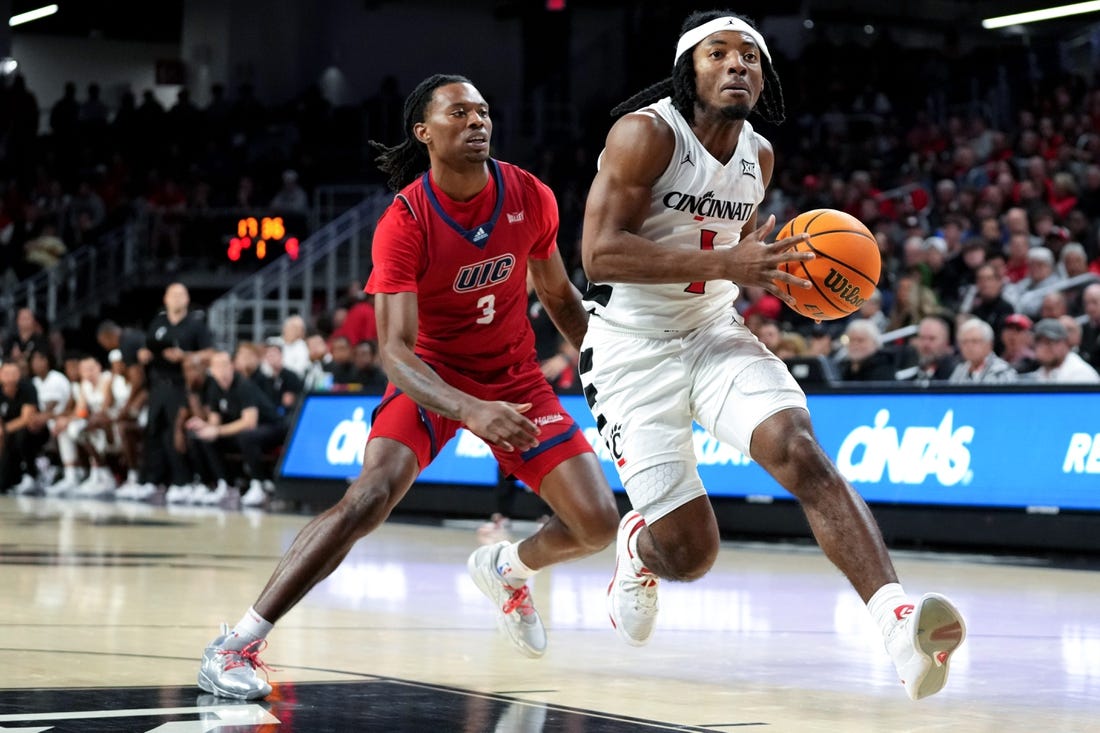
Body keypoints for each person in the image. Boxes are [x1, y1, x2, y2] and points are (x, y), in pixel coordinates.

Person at [576, 10, 965, 701]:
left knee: (800, 450)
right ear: (686, 69)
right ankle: (638, 546)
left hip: (713, 331)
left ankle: (898, 624)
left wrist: (777, 279)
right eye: (719, 54)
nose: (737, 66)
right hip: (631, 351)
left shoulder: (759, 156)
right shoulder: (645, 135)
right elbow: (599, 254)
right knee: (691, 554)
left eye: (751, 57)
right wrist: (734, 260)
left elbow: (731, 253)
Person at [197, 73, 620, 700]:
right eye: (459, 113)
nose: (477, 122)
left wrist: (601, 365)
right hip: (432, 380)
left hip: (516, 379)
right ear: (424, 132)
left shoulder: (528, 194)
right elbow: (392, 352)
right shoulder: (406, 220)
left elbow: (558, 293)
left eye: (482, 112)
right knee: (367, 499)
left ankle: (508, 569)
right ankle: (236, 644)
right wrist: (469, 408)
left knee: (597, 524)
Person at [123, 283, 214, 499]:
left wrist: (185, 356)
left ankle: (182, 481)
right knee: (153, 431)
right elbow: (149, 345)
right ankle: (152, 481)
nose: (176, 299)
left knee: (177, 432)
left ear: (187, 299)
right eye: (172, 295)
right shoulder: (159, 322)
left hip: (181, 386)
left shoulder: (196, 325)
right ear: (165, 299)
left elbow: (210, 353)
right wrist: (145, 353)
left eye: (181, 294)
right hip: (158, 385)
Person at [186, 350, 286, 507]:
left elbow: (249, 422)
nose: (222, 369)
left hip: (272, 427)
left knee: (246, 436)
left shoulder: (243, 385)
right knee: (203, 437)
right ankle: (224, 484)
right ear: (211, 370)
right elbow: (215, 421)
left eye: (225, 365)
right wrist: (204, 426)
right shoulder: (215, 388)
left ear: (232, 366)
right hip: (245, 431)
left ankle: (258, 485)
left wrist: (217, 430)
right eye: (217, 366)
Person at [948, 318, 1017, 383]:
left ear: (989, 344)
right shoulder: (960, 370)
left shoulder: (1002, 371)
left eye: (975, 341)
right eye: (964, 342)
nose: (969, 346)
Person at [1031, 318, 1100, 384]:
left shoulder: (1080, 373)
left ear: (1065, 343)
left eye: (1049, 342)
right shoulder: (1041, 372)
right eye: (1039, 343)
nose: (1044, 348)